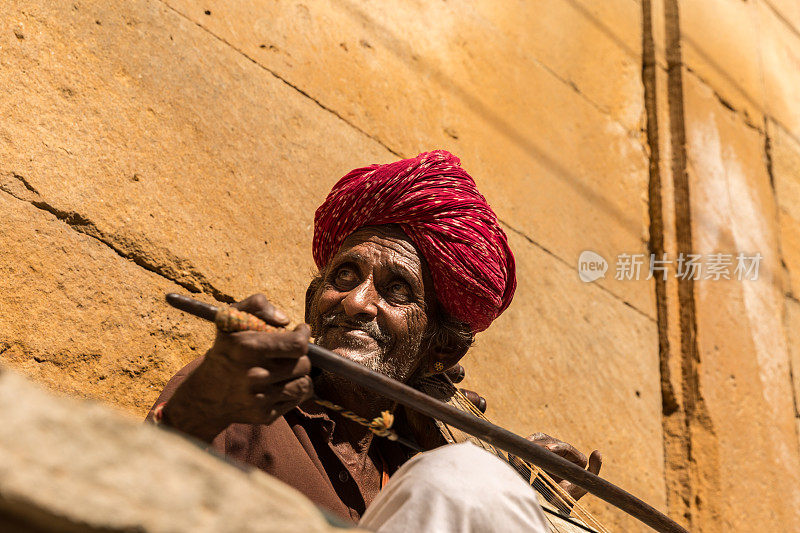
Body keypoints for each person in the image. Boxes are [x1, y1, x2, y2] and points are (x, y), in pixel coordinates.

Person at [147, 150, 601, 531]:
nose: (356, 302)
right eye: (344, 275)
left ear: (440, 352)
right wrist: (199, 411)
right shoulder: (241, 402)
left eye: (397, 289)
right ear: (312, 302)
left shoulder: (413, 456)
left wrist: (518, 503)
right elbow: (138, 504)